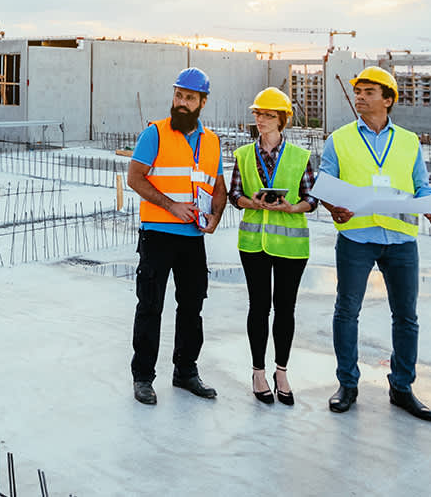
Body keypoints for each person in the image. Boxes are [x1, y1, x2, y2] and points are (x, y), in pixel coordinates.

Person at [320, 66, 431, 421]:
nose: (359, 97)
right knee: (347, 312)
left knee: (406, 317)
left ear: (388, 99)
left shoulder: (409, 141)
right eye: (358, 91)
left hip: (401, 241)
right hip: (356, 238)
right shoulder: (340, 139)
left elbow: (420, 185)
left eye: (368, 92)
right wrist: (335, 208)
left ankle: (402, 387)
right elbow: (324, 184)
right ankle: (347, 384)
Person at [124, 67, 227, 405]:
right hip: (158, 235)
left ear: (202, 102)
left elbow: (219, 189)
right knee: (151, 306)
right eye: (178, 95)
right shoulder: (155, 133)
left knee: (192, 306)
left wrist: (215, 217)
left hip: (193, 237)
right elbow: (135, 178)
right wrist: (171, 205)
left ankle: (185, 372)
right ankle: (143, 377)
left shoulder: (212, 142)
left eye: (189, 97)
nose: (182, 102)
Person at [227, 87, 317, 406]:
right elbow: (234, 194)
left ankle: (281, 371)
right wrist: (249, 201)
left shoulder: (299, 157)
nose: (261, 120)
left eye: (268, 115)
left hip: (291, 247)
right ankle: (258, 372)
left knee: (285, 309)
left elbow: (311, 199)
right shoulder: (242, 155)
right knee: (258, 307)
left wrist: (292, 208)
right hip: (253, 244)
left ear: (282, 120)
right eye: (258, 114)